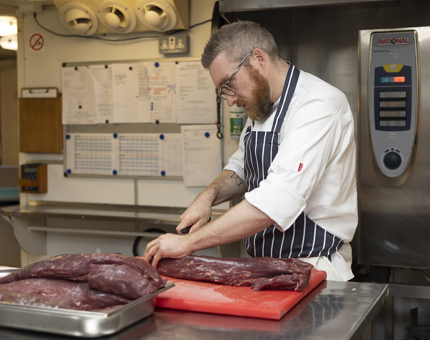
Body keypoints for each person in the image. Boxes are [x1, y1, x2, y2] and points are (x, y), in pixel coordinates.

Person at [144, 20, 358, 281]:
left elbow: (276, 201)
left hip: (314, 269)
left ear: (258, 59)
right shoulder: (262, 105)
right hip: (265, 267)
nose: (231, 100)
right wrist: (208, 197)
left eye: (229, 83)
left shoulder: (318, 106)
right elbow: (242, 167)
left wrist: (189, 243)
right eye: (223, 91)